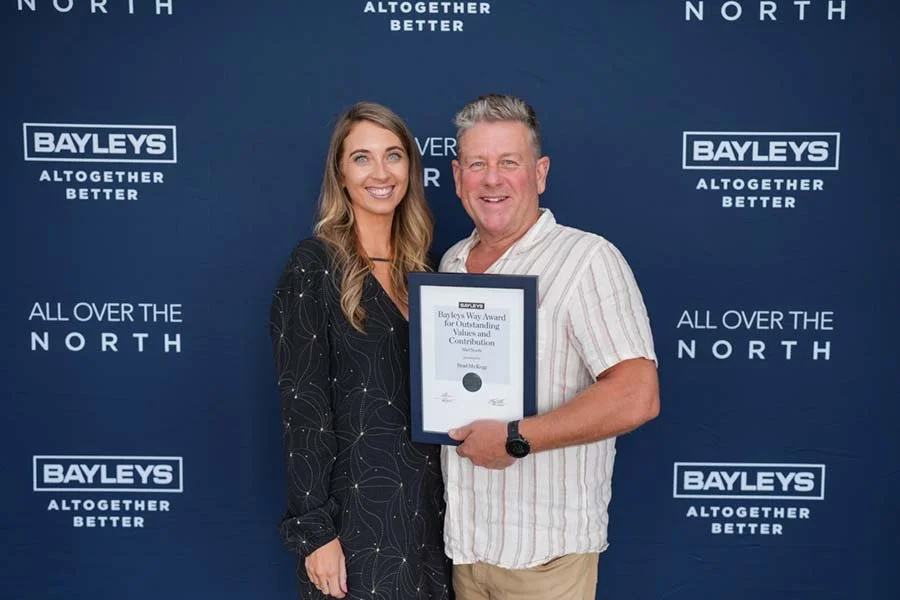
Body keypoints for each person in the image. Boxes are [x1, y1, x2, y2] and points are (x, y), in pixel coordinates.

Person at [439, 94, 660, 600]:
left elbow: (637, 395)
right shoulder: (450, 264)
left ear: (539, 173)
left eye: (508, 163)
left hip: (545, 561)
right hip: (466, 554)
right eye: (477, 164)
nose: (492, 179)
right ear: (457, 177)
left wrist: (517, 437)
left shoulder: (587, 260)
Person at [270, 102, 452, 599]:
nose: (381, 172)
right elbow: (302, 407)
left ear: (411, 169)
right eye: (362, 158)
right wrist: (316, 533)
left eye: (394, 155)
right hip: (355, 524)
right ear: (340, 173)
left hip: (433, 519)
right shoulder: (316, 265)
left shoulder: (429, 273)